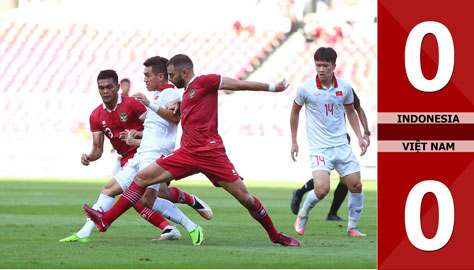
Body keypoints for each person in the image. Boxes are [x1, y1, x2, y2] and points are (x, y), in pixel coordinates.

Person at [83, 54, 300, 247]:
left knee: (246, 199)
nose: (169, 78)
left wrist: (272, 87)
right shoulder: (184, 95)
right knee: (141, 178)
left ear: (183, 72)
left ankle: (275, 235)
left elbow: (238, 84)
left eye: (171, 74)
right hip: (186, 153)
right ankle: (105, 219)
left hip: (211, 154)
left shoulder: (205, 81)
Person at [59, 69, 207, 244]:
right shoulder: (96, 115)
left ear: (117, 87)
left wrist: (135, 135)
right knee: (114, 191)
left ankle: (184, 220)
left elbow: (155, 127)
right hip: (126, 158)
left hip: (145, 153)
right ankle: (85, 233)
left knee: (145, 199)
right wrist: (90, 157)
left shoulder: (133, 104)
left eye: (109, 87)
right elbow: (98, 149)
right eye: (101, 88)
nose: (105, 91)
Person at [290, 47, 367, 237]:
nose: (321, 69)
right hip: (320, 148)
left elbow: (351, 111)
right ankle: (303, 213)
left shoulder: (344, 87)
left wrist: (359, 135)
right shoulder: (305, 89)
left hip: (341, 145)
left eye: (325, 65)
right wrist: (294, 141)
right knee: (322, 189)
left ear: (334, 66)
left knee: (356, 184)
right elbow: (295, 112)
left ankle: (352, 227)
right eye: (318, 65)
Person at [290, 89, 371, 221]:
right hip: (322, 141)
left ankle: (332, 213)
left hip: (341, 139)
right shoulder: (312, 90)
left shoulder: (344, 89)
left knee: (347, 178)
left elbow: (358, 109)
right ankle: (300, 192)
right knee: (324, 178)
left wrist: (365, 132)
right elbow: (296, 110)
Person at [111, 78, 133, 175]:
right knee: (121, 159)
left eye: (128, 86)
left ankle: (115, 180)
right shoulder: (117, 102)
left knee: (125, 159)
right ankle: (114, 179)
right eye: (124, 86)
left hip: (129, 134)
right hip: (121, 135)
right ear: (120, 87)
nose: (126, 88)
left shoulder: (131, 101)